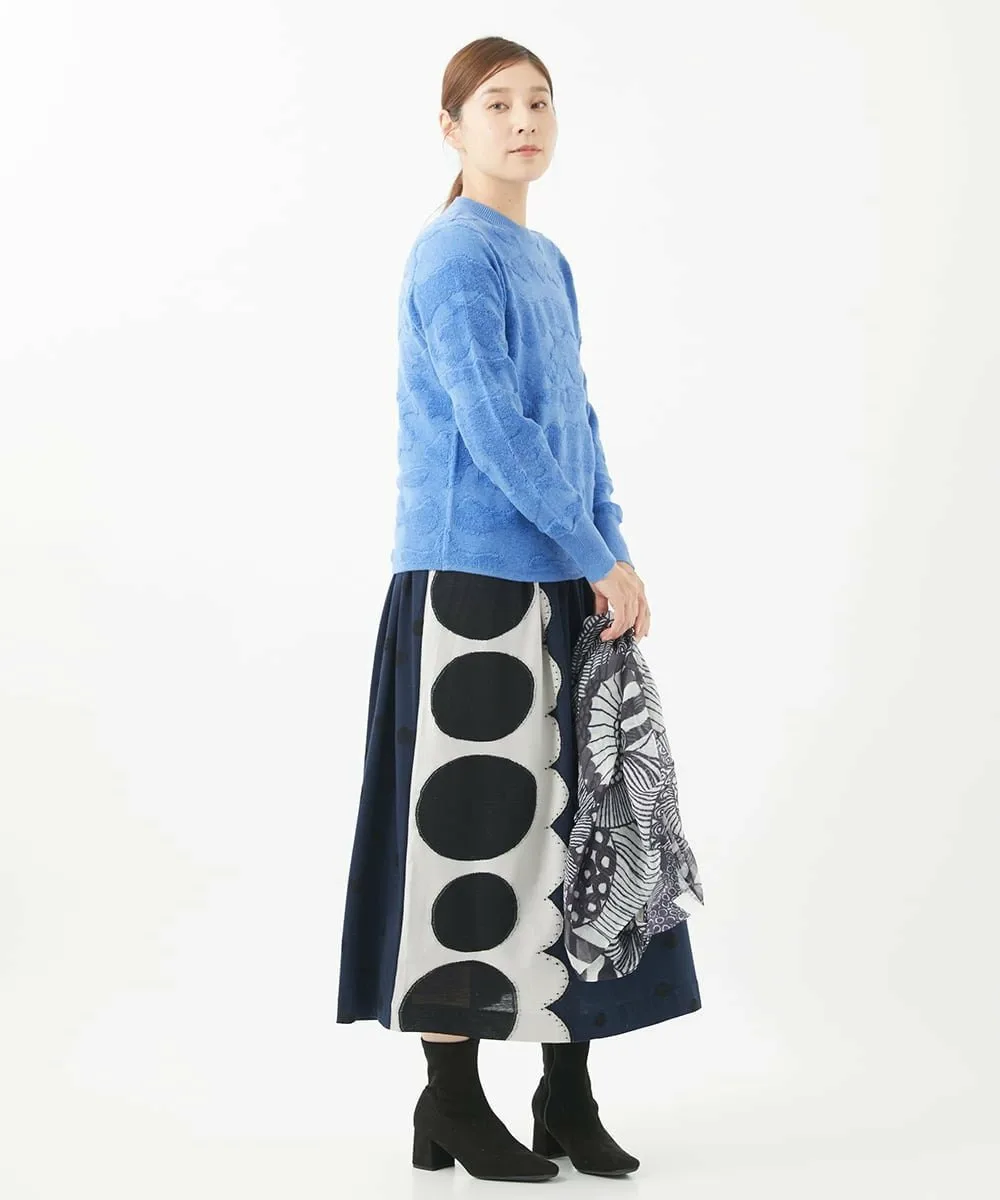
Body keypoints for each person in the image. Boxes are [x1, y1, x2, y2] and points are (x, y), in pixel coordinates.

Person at [335, 35, 702, 1183]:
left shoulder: (546, 260)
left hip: (559, 580)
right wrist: (593, 554)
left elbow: (573, 421)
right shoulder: (452, 253)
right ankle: (450, 1101)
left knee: (576, 837)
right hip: (470, 588)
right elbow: (492, 427)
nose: (523, 120)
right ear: (451, 129)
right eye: (495, 104)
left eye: (539, 101)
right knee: (472, 843)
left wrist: (612, 554)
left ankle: (564, 1095)